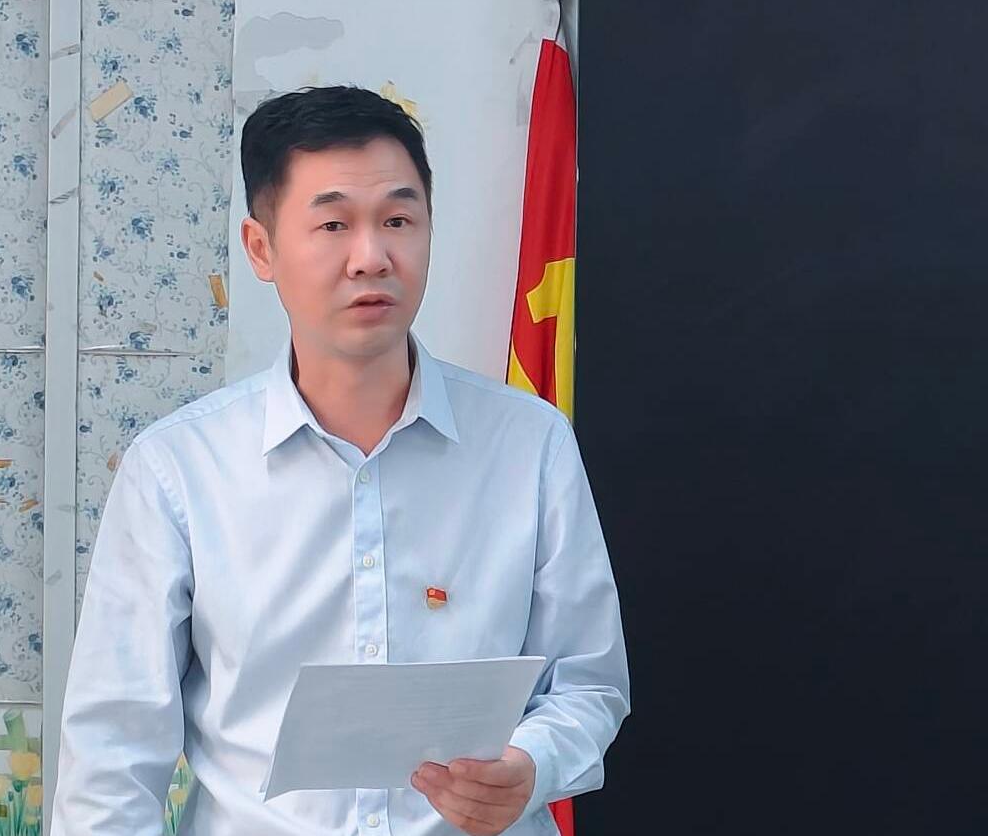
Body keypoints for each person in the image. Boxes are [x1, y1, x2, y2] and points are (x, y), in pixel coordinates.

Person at [51, 85, 629, 836]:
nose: (371, 257)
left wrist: (533, 763)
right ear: (261, 248)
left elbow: (588, 682)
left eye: (398, 220)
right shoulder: (178, 469)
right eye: (333, 224)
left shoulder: (530, 443)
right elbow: (113, 750)